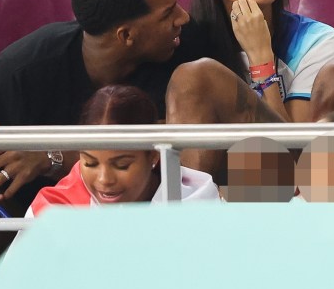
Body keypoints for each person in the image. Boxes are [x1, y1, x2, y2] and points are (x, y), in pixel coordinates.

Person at [0, 0, 194, 289]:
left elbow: (174, 153)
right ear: (126, 35)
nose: (184, 17)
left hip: (145, 215)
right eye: (168, 13)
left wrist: (49, 156)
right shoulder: (19, 70)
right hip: (43, 227)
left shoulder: (187, 55)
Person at [165, 0, 334, 179]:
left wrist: (261, 60)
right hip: (213, 179)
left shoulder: (317, 41)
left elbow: (294, 155)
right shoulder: (188, 40)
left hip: (278, 181)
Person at [27, 85, 219, 216]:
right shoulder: (53, 211)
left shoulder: (198, 203)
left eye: (122, 165)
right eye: (90, 163)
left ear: (152, 155)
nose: (104, 179)